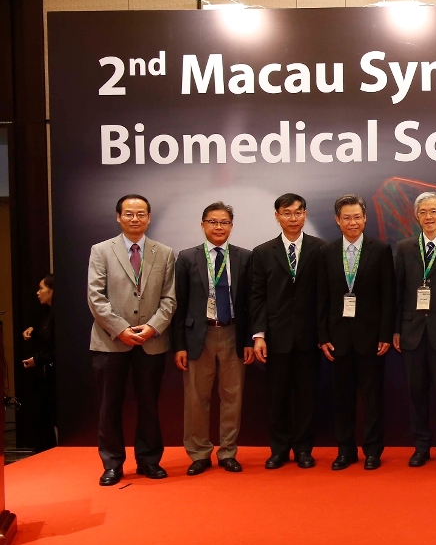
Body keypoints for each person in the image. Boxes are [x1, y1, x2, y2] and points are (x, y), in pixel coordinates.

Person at [87, 194, 176, 486]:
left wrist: (152, 328)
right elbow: (96, 297)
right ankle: (112, 464)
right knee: (108, 405)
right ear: (118, 217)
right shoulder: (101, 251)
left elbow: (170, 298)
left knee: (149, 404)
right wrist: (121, 328)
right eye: (129, 214)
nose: (135, 218)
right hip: (110, 341)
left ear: (149, 217)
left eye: (140, 214)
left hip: (151, 341)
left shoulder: (164, 253)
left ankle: (149, 461)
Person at [172, 202, 254, 475]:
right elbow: (178, 305)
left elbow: (250, 304)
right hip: (199, 335)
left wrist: (248, 341)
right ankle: (199, 453)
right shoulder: (186, 257)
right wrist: (179, 345)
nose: (219, 227)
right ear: (203, 225)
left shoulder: (245, 257)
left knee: (233, 396)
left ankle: (228, 451)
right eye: (213, 222)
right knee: (196, 398)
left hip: (232, 333)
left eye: (224, 222)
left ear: (231, 226)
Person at [316, 195, 395, 470]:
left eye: (357, 217)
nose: (353, 222)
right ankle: (345, 450)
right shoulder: (326, 252)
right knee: (342, 398)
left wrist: (386, 333)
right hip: (338, 339)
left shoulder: (381, 249)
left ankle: (373, 451)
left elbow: (388, 296)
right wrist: (323, 336)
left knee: (373, 398)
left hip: (372, 339)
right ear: (338, 220)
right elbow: (322, 298)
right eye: (347, 218)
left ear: (365, 219)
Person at [249, 194, 324, 469]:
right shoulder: (263, 252)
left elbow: (326, 297)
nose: (293, 218)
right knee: (277, 396)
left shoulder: (321, 249)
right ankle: (279, 449)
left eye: (298, 212)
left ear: (305, 214)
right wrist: (259, 334)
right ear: (277, 216)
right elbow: (256, 297)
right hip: (275, 338)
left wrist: (324, 334)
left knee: (307, 396)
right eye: (287, 213)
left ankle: (304, 449)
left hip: (310, 337)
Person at [393, 192, 436, 467]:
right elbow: (398, 291)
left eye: (434, 211)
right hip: (412, 333)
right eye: (423, 212)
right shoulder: (405, 247)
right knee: (417, 393)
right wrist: (396, 329)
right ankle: (421, 446)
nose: (429, 217)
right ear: (416, 216)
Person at [19, 274, 56, 452]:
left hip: (57, 375)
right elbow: (46, 335)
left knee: (50, 416)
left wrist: (37, 360)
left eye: (41, 288)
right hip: (45, 373)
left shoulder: (60, 316)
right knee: (41, 416)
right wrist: (33, 330)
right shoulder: (47, 314)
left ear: (52, 290)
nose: (38, 292)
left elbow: (58, 348)